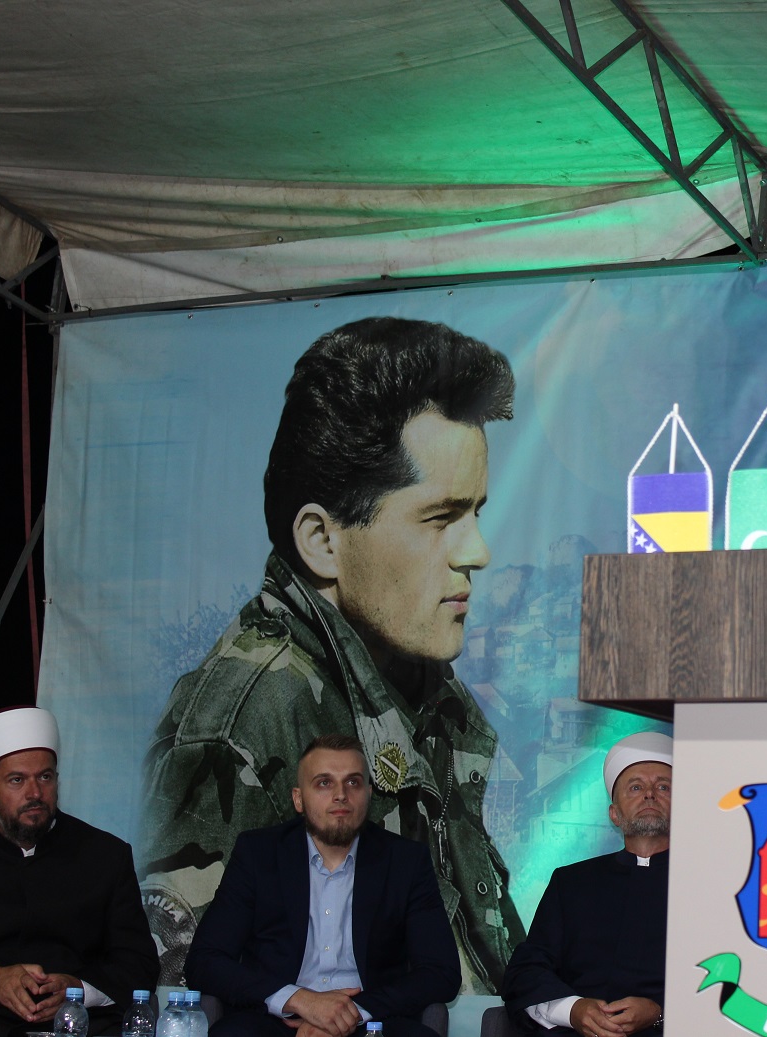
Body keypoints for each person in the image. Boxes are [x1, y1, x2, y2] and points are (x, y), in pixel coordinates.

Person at [140, 317, 524, 994]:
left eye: (477, 513)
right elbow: (189, 992)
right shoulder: (245, 720)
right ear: (322, 541)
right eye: (441, 518)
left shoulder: (419, 685)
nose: (477, 551)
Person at [185, 735, 462, 1037]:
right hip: (276, 1020)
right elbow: (205, 960)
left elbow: (441, 972)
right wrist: (301, 1000)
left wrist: (349, 1013)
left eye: (353, 782)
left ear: (369, 794)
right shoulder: (258, 854)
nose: (341, 795)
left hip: (371, 1019)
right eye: (324, 783)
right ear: (298, 799)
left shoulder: (405, 861)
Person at [0, 707, 158, 1035]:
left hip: (77, 1025)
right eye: (17, 780)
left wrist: (78, 990)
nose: (35, 794)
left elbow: (139, 963)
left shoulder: (105, 856)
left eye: (45, 777)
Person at [502, 732, 672, 1036]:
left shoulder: (710, 886)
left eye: (663, 787)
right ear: (614, 814)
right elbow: (526, 970)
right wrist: (573, 1010)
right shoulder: (571, 883)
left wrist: (661, 1012)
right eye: (636, 787)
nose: (650, 794)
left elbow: (731, 975)